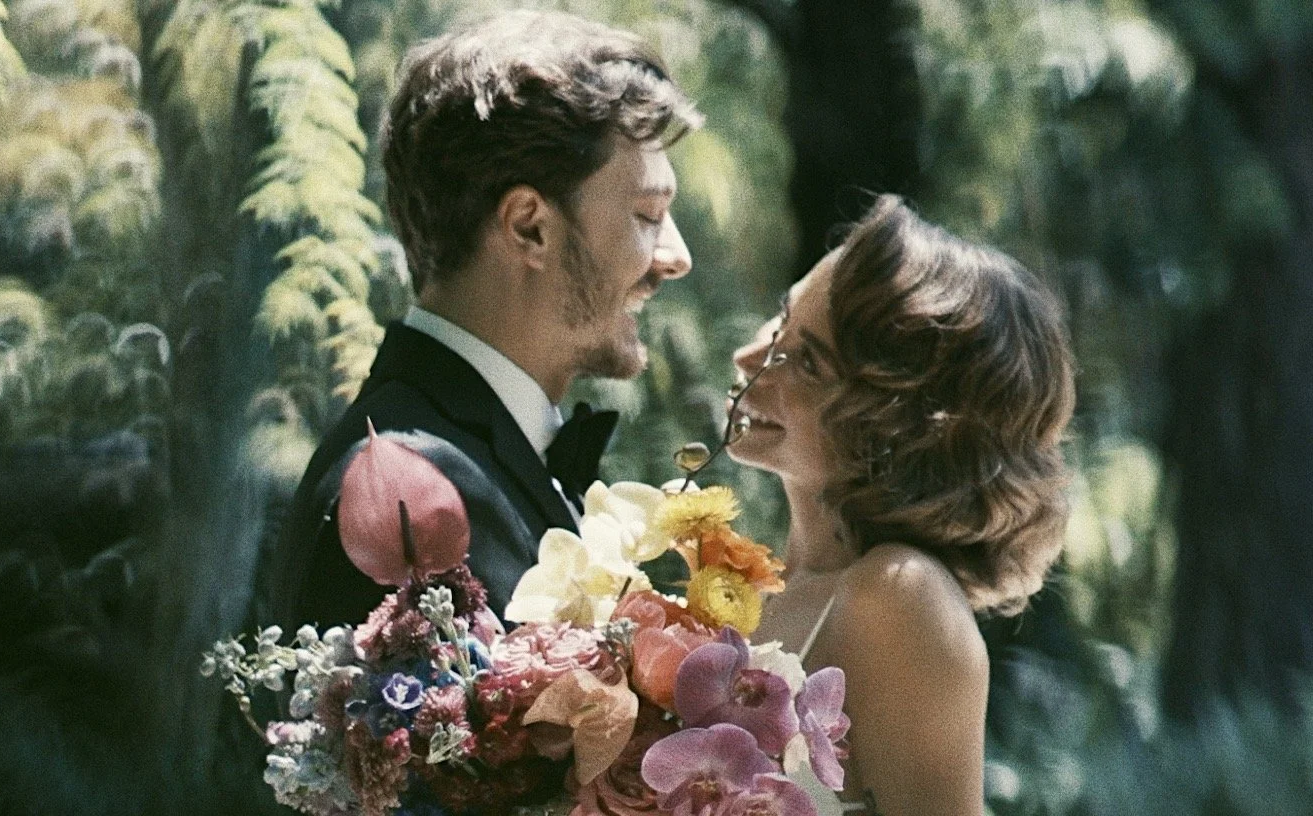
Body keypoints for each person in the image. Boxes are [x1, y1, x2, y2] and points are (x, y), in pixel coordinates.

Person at [256, 10, 701, 629]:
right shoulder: (400, 495)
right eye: (648, 214)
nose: (677, 257)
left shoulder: (484, 452)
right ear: (529, 226)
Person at [729, 195, 1076, 815]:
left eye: (805, 361)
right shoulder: (754, 586)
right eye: (778, 323)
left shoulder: (895, 599)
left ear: (892, 423)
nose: (750, 361)